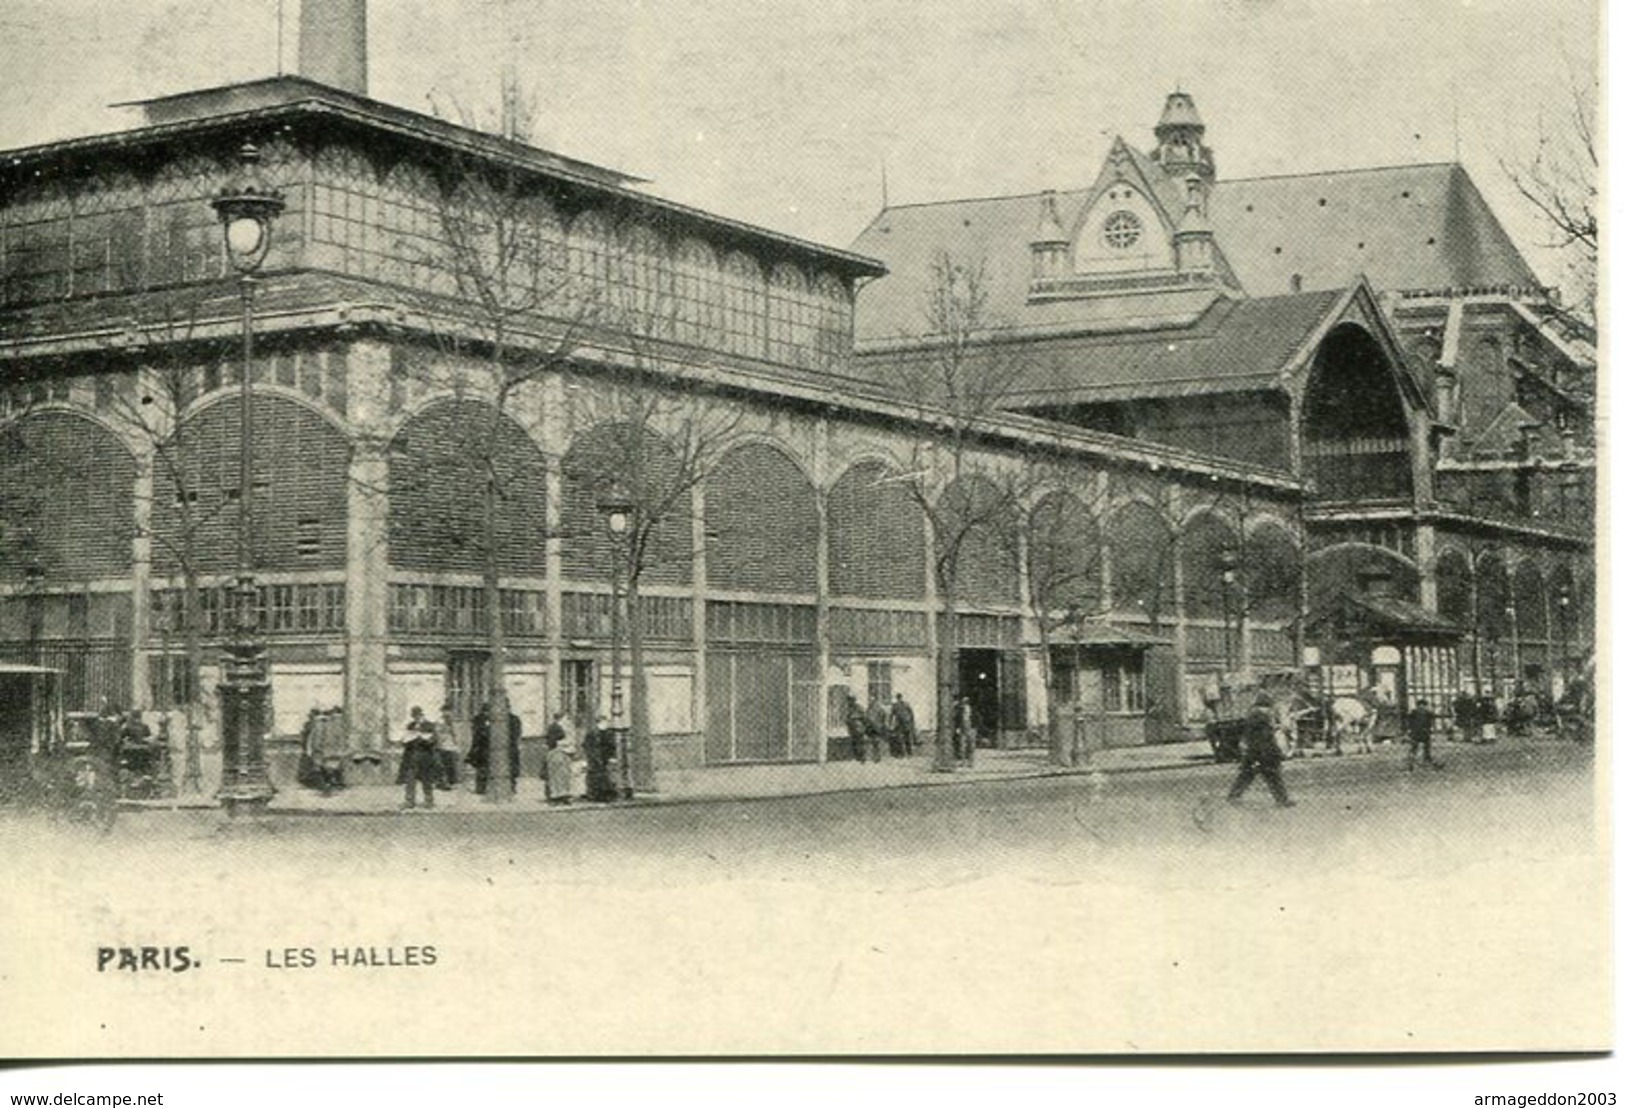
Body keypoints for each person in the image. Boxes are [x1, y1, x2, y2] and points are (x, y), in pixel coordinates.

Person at [1227, 694, 1295, 808]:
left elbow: (1251, 736)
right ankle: (1282, 800)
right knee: (1273, 777)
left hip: (1253, 752)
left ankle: (1233, 796)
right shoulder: (1262, 718)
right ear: (1266, 707)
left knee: (1246, 776)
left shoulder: (1252, 717)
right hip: (1264, 753)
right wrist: (1277, 752)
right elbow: (1267, 738)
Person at [395, 705, 438, 810]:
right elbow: (404, 740)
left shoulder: (429, 725)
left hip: (425, 757)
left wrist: (424, 739)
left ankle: (429, 801)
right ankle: (410, 801)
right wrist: (406, 740)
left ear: (421, 714)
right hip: (411, 757)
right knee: (410, 780)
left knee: (426, 780)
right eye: (414, 716)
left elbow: (434, 740)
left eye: (418, 715)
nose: (416, 718)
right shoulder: (410, 725)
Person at [582, 715, 618, 802]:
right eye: (605, 722)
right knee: (594, 777)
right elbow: (586, 746)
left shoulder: (608, 733)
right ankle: (594, 795)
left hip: (605, 758)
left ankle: (605, 795)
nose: (607, 724)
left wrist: (612, 756)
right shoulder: (592, 733)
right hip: (594, 758)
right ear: (600, 722)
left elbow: (612, 746)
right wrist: (587, 758)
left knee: (606, 777)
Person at [1406, 697, 1441, 771]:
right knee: (1426, 748)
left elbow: (1409, 722)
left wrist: (1409, 730)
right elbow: (1431, 721)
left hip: (1415, 732)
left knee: (1413, 748)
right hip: (1424, 732)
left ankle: (1410, 763)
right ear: (1425, 705)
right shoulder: (1427, 712)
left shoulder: (1413, 712)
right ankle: (1427, 762)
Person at [541, 729, 574, 805]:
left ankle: (558, 795)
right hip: (559, 755)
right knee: (560, 777)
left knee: (558, 777)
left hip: (558, 755)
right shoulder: (558, 728)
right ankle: (560, 795)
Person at [952, 695, 976, 768]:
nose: (965, 704)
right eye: (964, 702)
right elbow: (957, 719)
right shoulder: (960, 710)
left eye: (966, 702)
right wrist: (958, 727)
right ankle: (963, 761)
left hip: (970, 728)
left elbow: (975, 719)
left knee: (970, 746)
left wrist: (974, 728)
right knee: (962, 746)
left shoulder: (972, 711)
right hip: (963, 728)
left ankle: (970, 762)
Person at [845, 694, 870, 763]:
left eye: (850, 700)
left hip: (859, 728)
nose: (849, 702)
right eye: (849, 700)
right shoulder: (849, 708)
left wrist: (864, 727)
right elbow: (847, 718)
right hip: (852, 729)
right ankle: (857, 757)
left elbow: (864, 718)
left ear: (853, 700)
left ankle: (862, 758)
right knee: (854, 743)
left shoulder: (858, 708)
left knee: (860, 743)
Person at [865, 695, 889, 762]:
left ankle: (877, 757)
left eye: (871, 700)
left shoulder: (878, 708)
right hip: (871, 727)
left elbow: (884, 715)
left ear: (874, 701)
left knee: (876, 742)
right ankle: (874, 756)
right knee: (873, 742)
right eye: (869, 700)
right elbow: (866, 717)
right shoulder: (869, 708)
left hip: (877, 727)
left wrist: (881, 723)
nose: (870, 701)